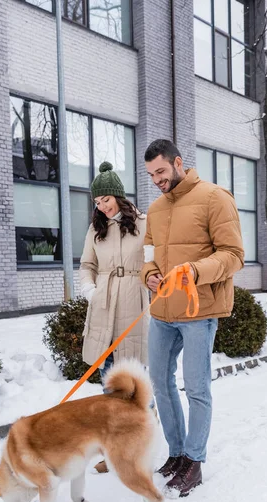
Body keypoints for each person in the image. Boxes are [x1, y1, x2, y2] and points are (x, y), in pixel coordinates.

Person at [141, 139, 244, 497]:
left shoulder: (215, 197)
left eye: (161, 171)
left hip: (199, 310)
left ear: (178, 162)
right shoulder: (154, 209)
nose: (156, 179)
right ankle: (176, 453)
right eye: (151, 174)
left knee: (196, 388)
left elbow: (233, 255)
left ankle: (194, 461)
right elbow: (149, 256)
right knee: (160, 382)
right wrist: (149, 276)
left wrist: (195, 271)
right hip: (162, 312)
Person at [80, 161, 151, 473]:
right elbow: (86, 265)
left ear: (119, 197)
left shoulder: (145, 223)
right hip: (104, 305)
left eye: (105, 200)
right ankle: (113, 451)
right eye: (97, 202)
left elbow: (155, 261)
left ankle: (142, 442)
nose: (102, 207)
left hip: (134, 303)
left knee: (135, 380)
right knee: (109, 381)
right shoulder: (96, 230)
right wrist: (90, 292)